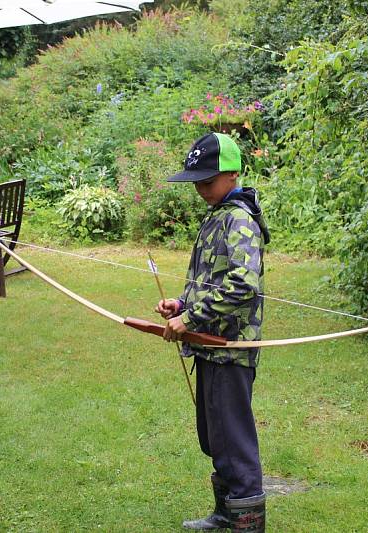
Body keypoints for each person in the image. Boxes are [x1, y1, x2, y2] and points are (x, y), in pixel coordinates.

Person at [154, 133, 270, 532]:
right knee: (215, 435)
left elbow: (242, 283)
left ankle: (247, 524)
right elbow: (213, 279)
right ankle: (227, 514)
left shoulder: (238, 218)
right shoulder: (219, 213)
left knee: (233, 439)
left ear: (234, 173)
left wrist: (191, 319)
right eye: (197, 182)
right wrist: (182, 306)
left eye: (208, 180)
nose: (201, 189)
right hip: (210, 344)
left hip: (230, 348)